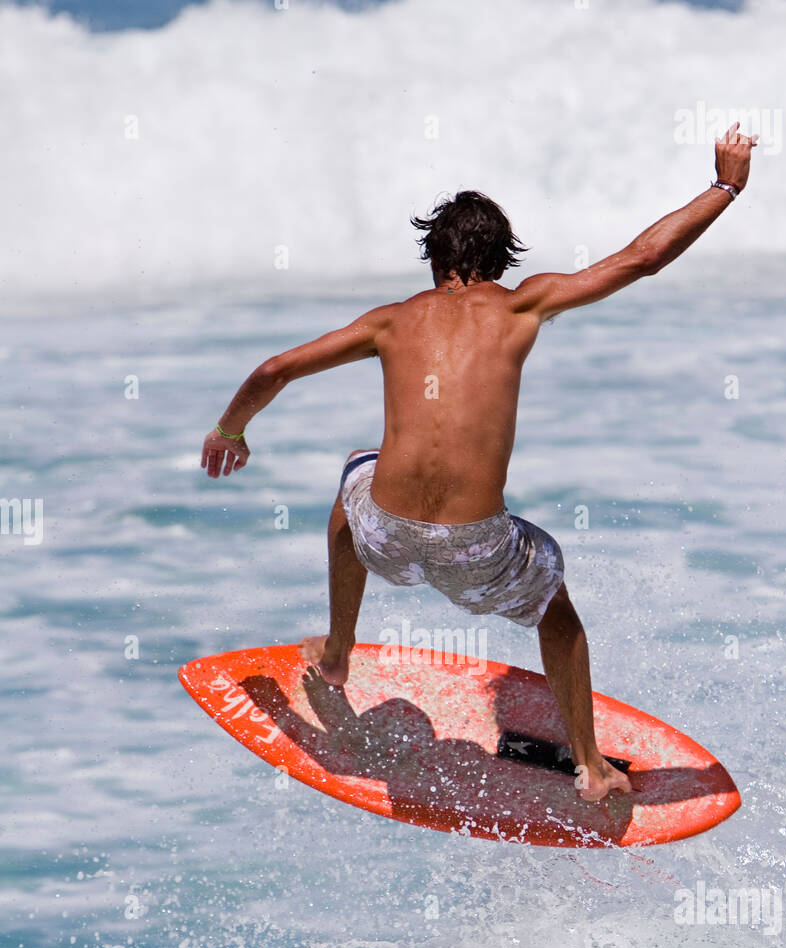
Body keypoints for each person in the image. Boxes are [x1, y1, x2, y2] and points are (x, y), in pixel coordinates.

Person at [201, 123, 757, 802]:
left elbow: (274, 368)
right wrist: (726, 185)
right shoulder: (525, 303)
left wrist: (232, 429)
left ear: (435, 263)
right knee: (556, 608)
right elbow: (642, 259)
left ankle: (339, 652)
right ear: (502, 262)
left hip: (388, 533)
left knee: (357, 478)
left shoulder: (391, 321)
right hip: (478, 549)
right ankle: (590, 769)